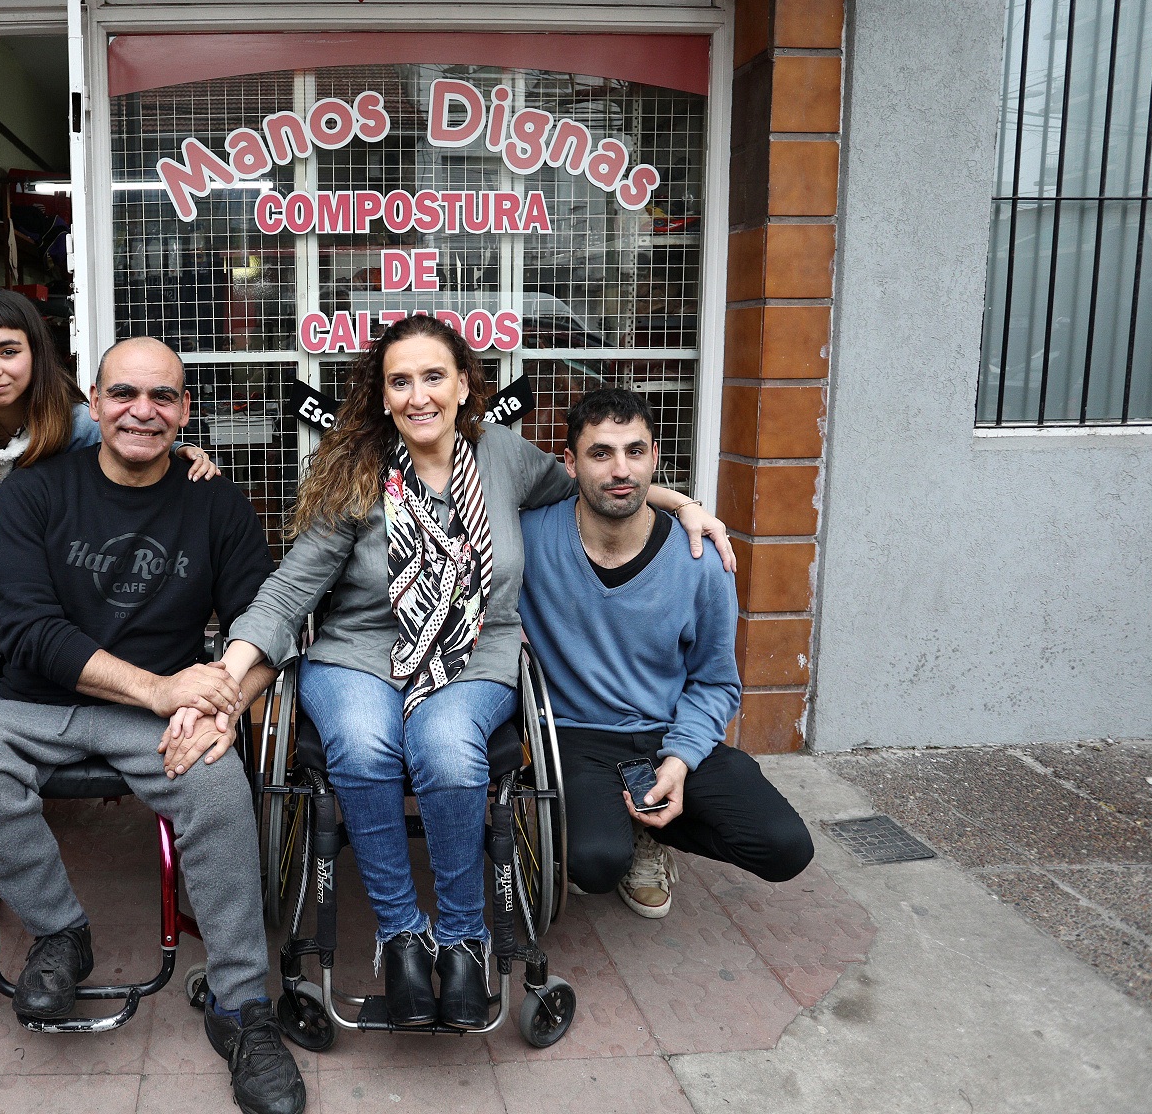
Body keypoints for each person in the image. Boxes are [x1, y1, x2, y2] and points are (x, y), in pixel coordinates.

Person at [213, 315, 731, 1030]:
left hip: (476, 652)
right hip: (361, 651)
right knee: (363, 747)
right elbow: (291, 589)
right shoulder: (354, 469)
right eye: (401, 381)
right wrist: (229, 674)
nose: (418, 395)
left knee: (446, 751)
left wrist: (680, 503)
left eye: (433, 377)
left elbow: (593, 484)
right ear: (382, 394)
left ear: (463, 384)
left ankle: (462, 937)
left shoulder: (506, 459)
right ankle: (401, 934)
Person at [0, 337, 305, 1114]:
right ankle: (60, 933)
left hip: (162, 719)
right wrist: (162, 689)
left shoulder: (216, 501)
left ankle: (242, 1009)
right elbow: (29, 629)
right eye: (124, 394)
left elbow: (265, 624)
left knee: (218, 785)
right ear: (95, 402)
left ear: (183, 411)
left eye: (164, 397)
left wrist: (225, 704)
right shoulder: (39, 492)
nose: (143, 411)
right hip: (40, 701)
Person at [0, 291, 218, 905]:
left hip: (58, 585)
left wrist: (184, 456)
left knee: (56, 664)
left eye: (8, 351)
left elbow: (135, 445)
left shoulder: (78, 420)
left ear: (36, 355)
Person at [519, 387, 814, 921]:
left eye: (635, 451)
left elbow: (716, 682)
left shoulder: (701, 560)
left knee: (785, 847)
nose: (619, 470)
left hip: (665, 729)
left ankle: (652, 827)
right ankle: (621, 834)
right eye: (600, 453)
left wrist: (679, 762)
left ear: (656, 458)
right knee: (595, 864)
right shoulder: (530, 540)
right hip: (575, 736)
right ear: (570, 463)